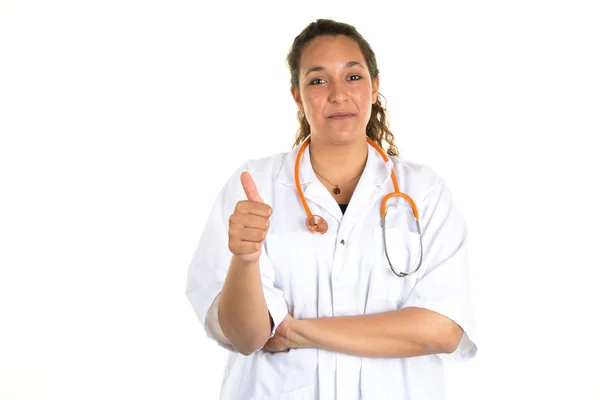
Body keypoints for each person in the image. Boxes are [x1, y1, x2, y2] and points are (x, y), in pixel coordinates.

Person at [185, 18, 477, 400]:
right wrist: (244, 259)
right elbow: (248, 336)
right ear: (297, 96)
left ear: (374, 87)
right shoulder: (253, 187)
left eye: (353, 77)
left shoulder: (423, 192)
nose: (339, 94)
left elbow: (442, 330)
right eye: (318, 80)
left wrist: (297, 331)